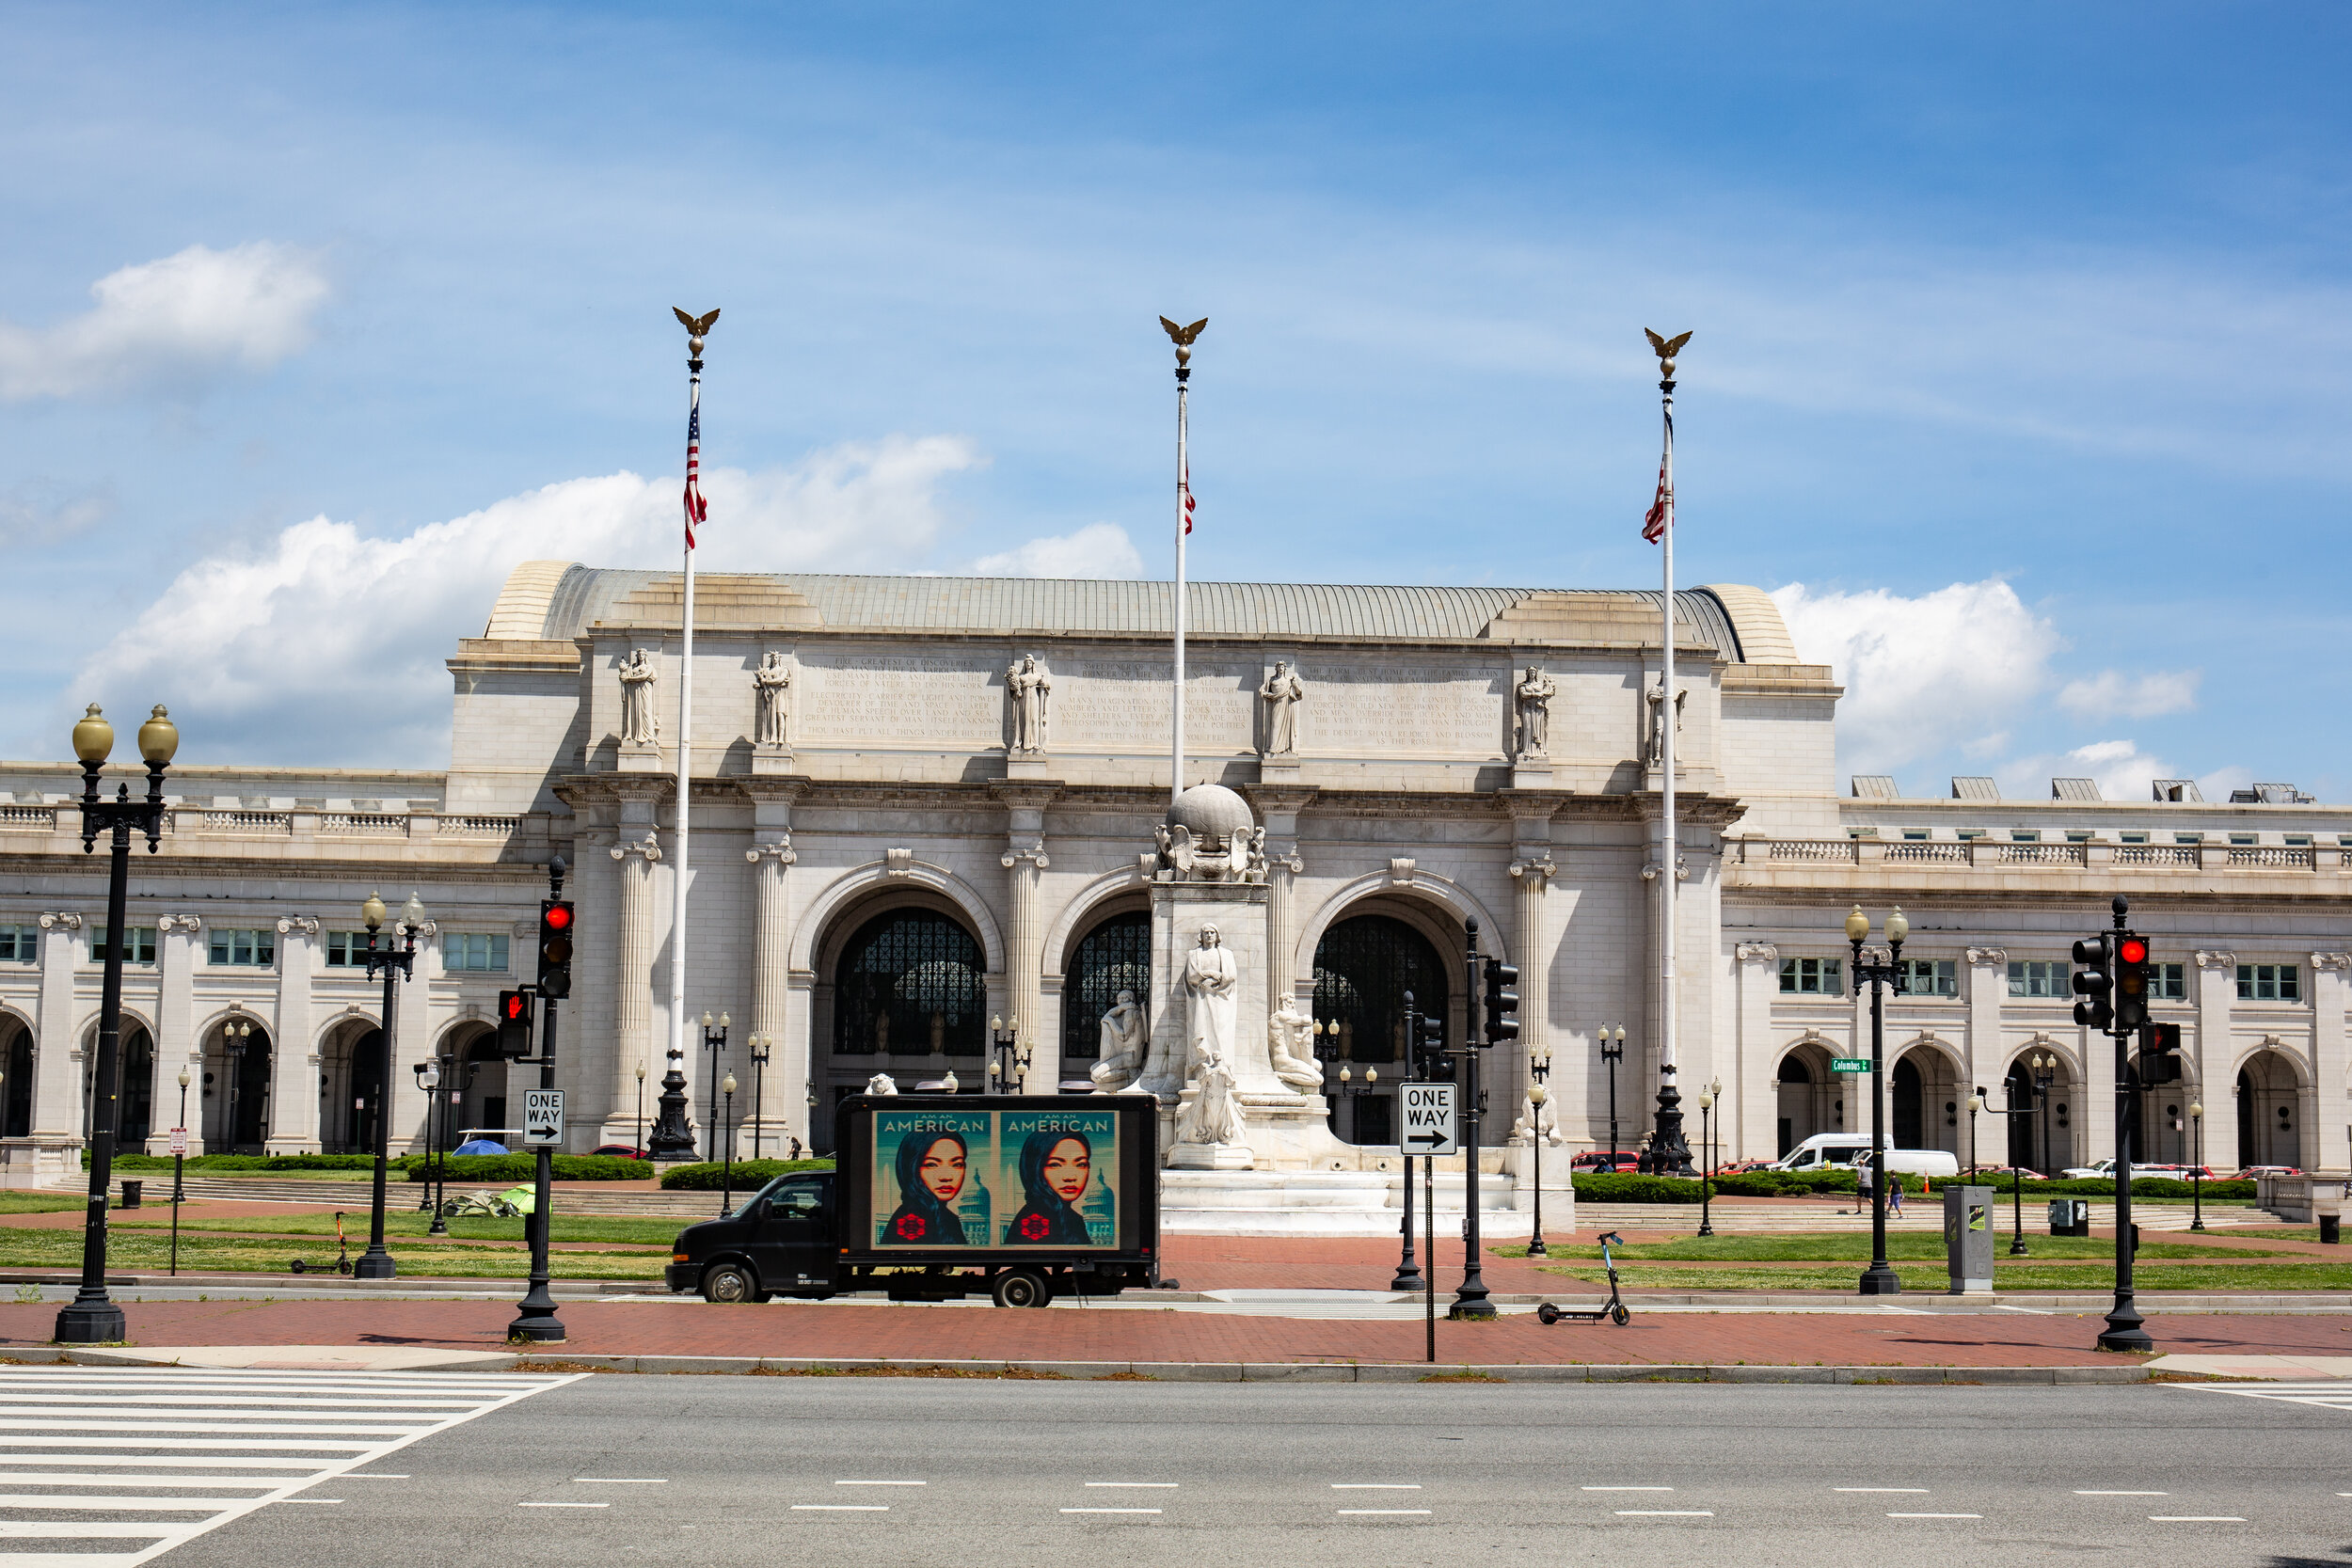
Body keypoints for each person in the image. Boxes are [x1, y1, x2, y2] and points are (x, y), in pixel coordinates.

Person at [1004, 1130, 1095, 1244]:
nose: (1070, 1176)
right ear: (1035, 1169)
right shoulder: (1034, 1222)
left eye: (1081, 1164)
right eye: (1055, 1165)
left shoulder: (1073, 1219)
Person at [880, 1131, 970, 1245]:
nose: (946, 1177)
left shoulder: (949, 1219)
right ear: (911, 1169)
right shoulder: (910, 1220)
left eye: (957, 1164)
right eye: (931, 1165)